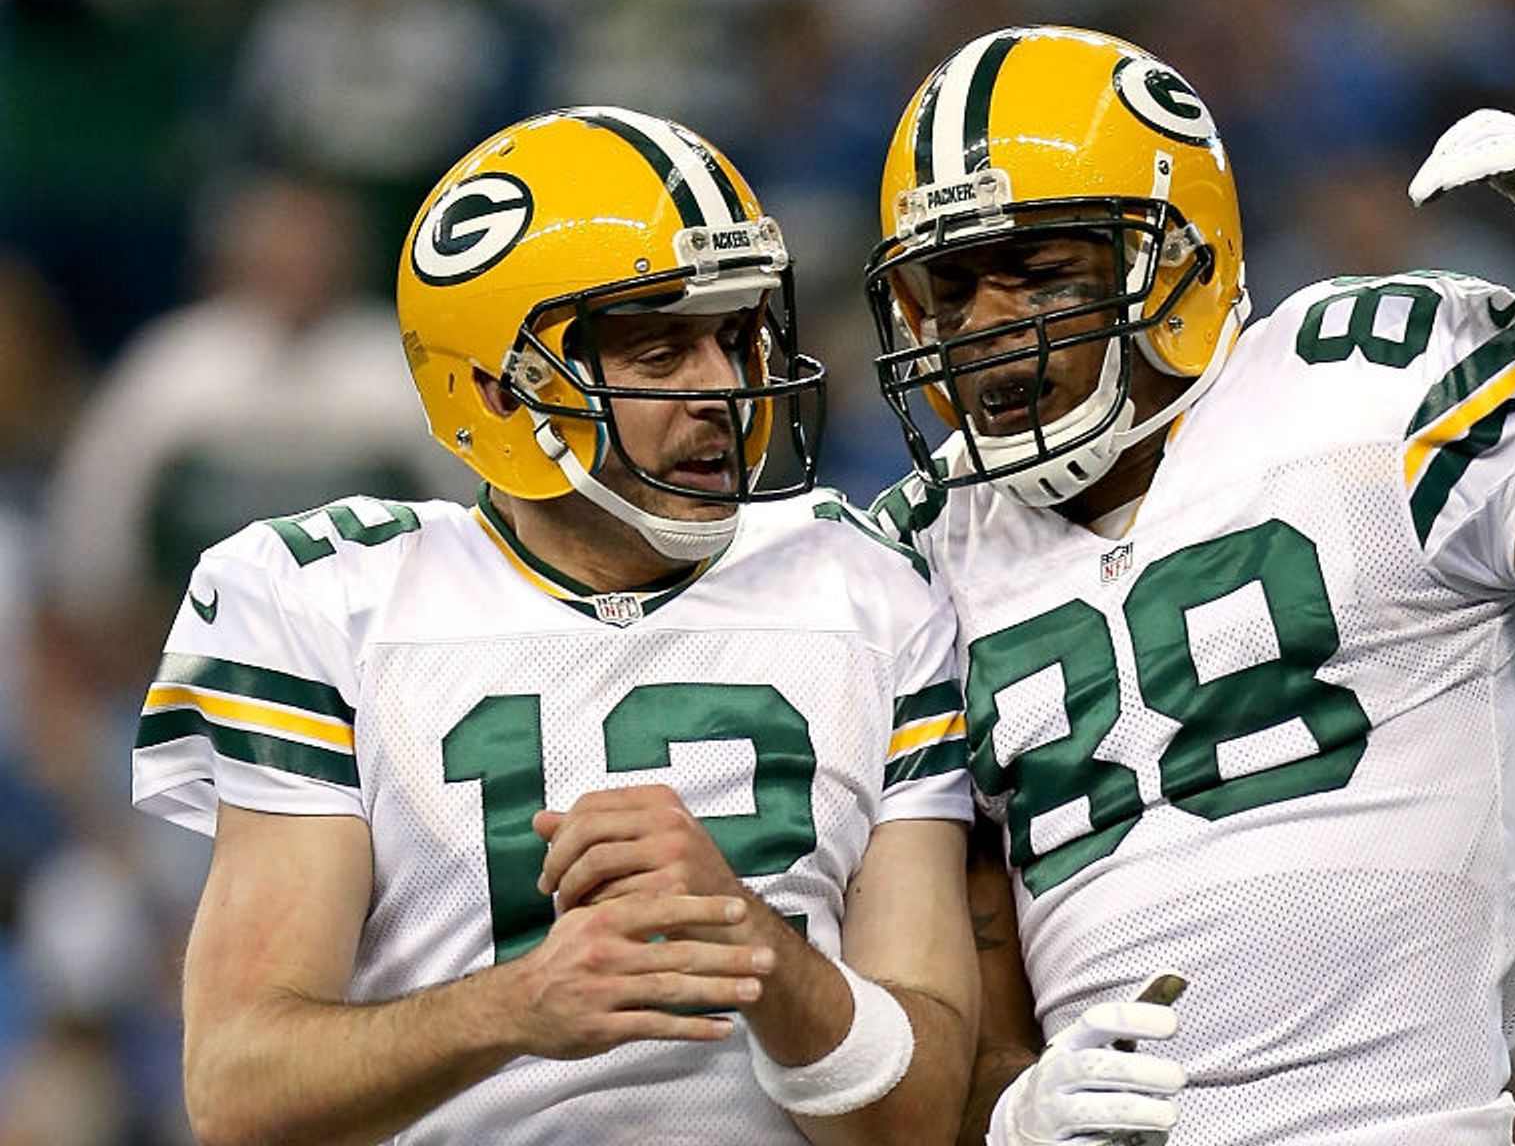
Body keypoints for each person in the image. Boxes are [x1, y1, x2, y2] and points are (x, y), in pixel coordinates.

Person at [859, 26, 1515, 1146]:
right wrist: (1009, 1113)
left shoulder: (1369, 389)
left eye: (1034, 273)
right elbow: (947, 1015)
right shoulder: (917, 559)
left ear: (1176, 258)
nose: (983, 328)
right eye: (950, 288)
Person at [130, 107, 978, 1145]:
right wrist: (514, 1008)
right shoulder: (319, 600)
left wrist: (751, 945)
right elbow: (239, 1091)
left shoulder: (869, 583)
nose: (721, 388)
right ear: (496, 387)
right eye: (661, 351)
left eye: (734, 334)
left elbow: (923, 1115)